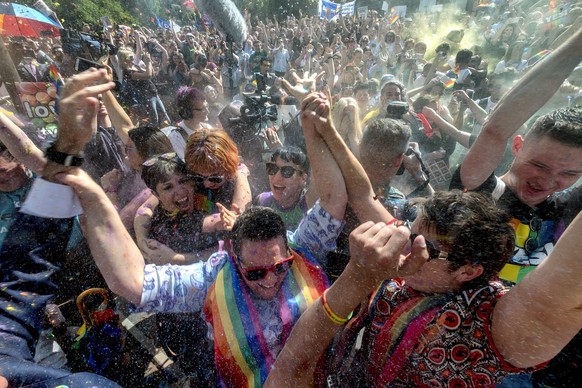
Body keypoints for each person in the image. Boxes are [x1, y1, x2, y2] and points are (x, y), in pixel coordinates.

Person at [41, 68, 348, 386]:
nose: (270, 280)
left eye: (280, 267)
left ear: (288, 250)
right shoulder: (216, 276)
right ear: (233, 257)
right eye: (255, 273)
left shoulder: (302, 247)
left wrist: (316, 127)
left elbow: (332, 198)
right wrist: (89, 192)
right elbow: (132, 282)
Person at [264, 91, 582, 388]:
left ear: (468, 270)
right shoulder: (413, 249)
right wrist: (327, 129)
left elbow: (566, 293)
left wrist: (358, 277)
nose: (403, 242)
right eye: (409, 231)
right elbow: (361, 193)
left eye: (426, 247)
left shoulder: (493, 327)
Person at [256, 146, 311, 231]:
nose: (277, 177)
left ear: (303, 178)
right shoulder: (263, 202)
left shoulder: (309, 205)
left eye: (287, 171)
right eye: (272, 168)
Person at [162, 86, 212, 160]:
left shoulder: (209, 128)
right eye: (201, 109)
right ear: (187, 112)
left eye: (207, 106)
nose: (207, 111)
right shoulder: (176, 138)